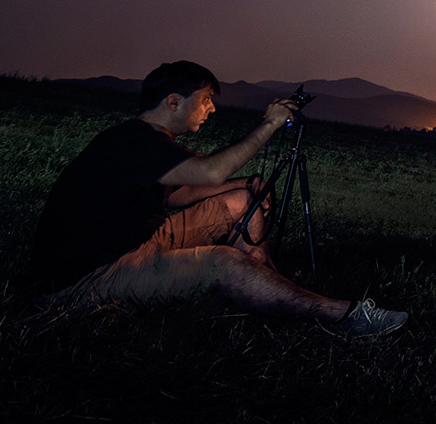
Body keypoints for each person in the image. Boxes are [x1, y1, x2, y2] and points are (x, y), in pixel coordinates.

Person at [26, 60, 407, 336]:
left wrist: (246, 187)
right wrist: (270, 124)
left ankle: (265, 278)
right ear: (174, 102)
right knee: (223, 262)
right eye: (206, 99)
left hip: (138, 240)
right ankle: (343, 315)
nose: (211, 108)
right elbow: (211, 172)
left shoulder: (144, 142)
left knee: (243, 198)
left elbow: (180, 194)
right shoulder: (133, 142)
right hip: (88, 277)